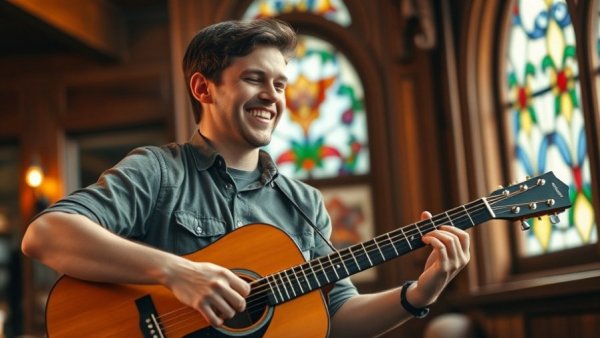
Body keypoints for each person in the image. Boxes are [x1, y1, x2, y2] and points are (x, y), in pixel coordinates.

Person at [21, 18, 470, 337]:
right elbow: (45, 234)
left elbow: (336, 318)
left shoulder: (304, 203)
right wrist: (178, 273)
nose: (272, 97)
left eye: (279, 84)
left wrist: (419, 293)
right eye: (255, 79)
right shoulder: (158, 171)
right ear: (203, 88)